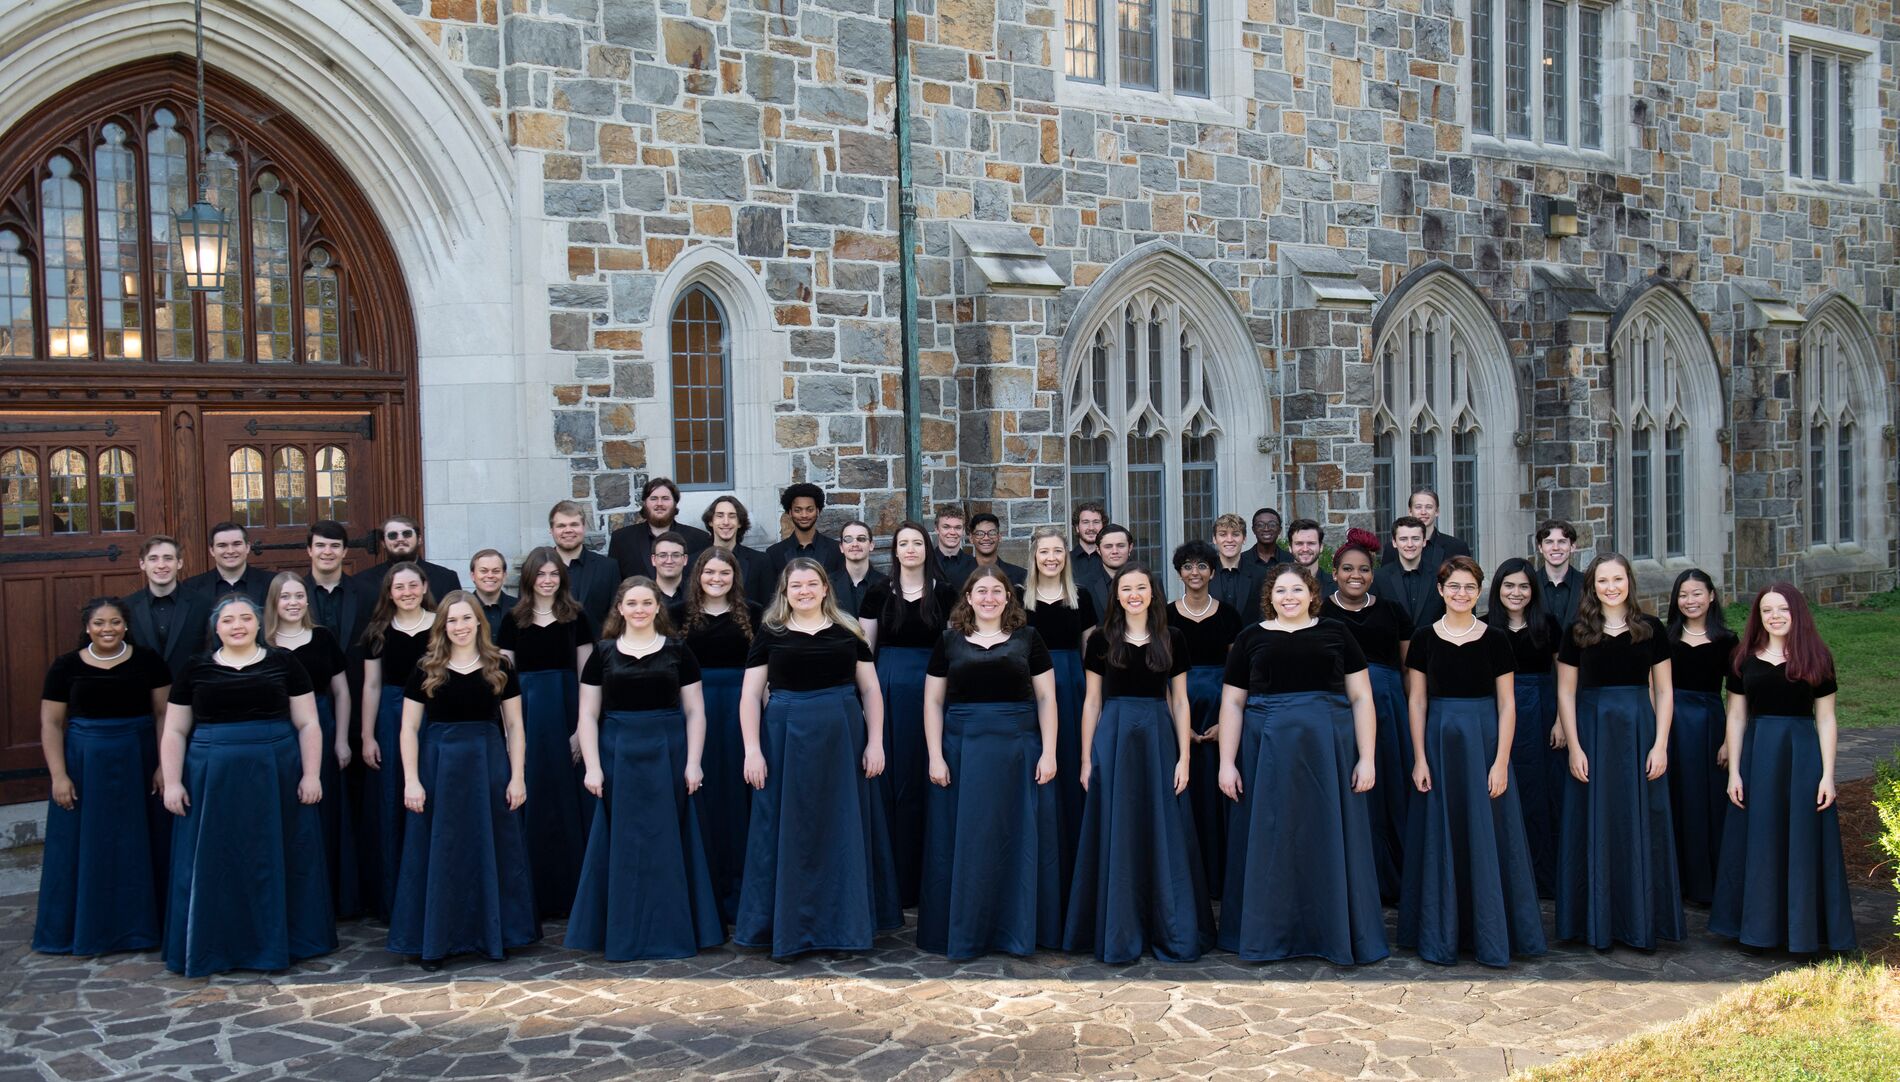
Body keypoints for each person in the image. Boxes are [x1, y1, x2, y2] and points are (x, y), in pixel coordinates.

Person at [1217, 563, 1387, 965]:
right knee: (1273, 836)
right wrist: (1227, 762)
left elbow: (1362, 697)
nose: (1288, 597)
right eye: (1280, 591)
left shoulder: (1336, 633)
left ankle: (1332, 934)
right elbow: (1232, 702)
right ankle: (1268, 934)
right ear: (1269, 598)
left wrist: (1367, 757)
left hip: (1328, 752)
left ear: (1312, 594)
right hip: (1267, 753)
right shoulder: (1250, 637)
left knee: (1327, 833)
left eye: (1297, 589)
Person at [159, 594, 334, 977]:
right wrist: (172, 782)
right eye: (227, 620)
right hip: (211, 778)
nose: (237, 625)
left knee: (273, 856)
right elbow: (174, 729)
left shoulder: (284, 663)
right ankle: (214, 946)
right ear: (216, 628)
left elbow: (308, 723)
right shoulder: (195, 668)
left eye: (244, 618)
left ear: (258, 624)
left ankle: (278, 943)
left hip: (277, 774)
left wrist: (311, 774)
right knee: (216, 861)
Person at [734, 558, 900, 958]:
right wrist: (752, 750)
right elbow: (750, 696)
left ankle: (845, 925)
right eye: (796, 585)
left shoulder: (849, 632)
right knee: (789, 828)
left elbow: (872, 691)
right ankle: (786, 928)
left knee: (842, 826)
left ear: (826, 588)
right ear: (785, 592)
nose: (804, 591)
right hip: (784, 739)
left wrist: (875, 742)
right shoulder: (770, 633)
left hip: (842, 738)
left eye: (812, 584)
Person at [1398, 557, 1546, 967]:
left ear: (1478, 592)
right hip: (1441, 744)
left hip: (1484, 743)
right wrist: (1420, 758)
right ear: (1441, 591)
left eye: (1469, 587)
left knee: (1489, 834)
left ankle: (1490, 930)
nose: (1461, 594)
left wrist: (1500, 762)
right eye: (1454, 587)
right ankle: (1441, 930)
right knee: (1441, 834)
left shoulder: (1495, 638)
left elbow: (1508, 704)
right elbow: (1417, 701)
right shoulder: (1425, 638)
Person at [569, 577, 725, 960]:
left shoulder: (678, 650)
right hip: (617, 754)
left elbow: (695, 711)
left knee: (670, 841)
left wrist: (693, 763)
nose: (639, 609)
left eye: (646, 602)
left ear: (658, 607)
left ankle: (674, 932)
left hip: (668, 753)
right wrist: (592, 767)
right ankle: (622, 934)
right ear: (619, 608)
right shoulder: (602, 654)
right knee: (621, 843)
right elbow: (588, 715)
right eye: (632, 603)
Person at [1065, 563, 1211, 963]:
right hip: (1113, 736)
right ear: (1115, 595)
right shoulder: (1100, 639)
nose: (1133, 594)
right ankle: (1118, 928)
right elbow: (1092, 701)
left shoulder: (1173, 637)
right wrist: (1084, 758)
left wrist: (1184, 756)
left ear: (1152, 593)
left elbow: (1179, 701)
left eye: (1141, 587)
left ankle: (1168, 925)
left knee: (1162, 824)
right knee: (1118, 825)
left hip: (1157, 736)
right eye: (1125, 588)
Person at [389, 592, 539, 970]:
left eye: (465, 619)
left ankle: (494, 936)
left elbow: (516, 726)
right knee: (441, 850)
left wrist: (517, 776)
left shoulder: (500, 665)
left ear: (478, 623)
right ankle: (437, 939)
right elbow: (408, 728)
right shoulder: (426, 667)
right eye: (451, 621)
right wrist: (411, 780)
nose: (459, 627)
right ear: (443, 626)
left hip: (488, 766)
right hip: (439, 769)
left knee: (489, 847)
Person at [918, 566, 1061, 958]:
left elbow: (1047, 698)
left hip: (1018, 752)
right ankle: (968, 932)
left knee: (1016, 839)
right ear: (968, 597)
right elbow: (932, 701)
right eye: (980, 591)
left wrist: (1049, 751)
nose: (988, 598)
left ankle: (1016, 930)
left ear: (1008, 598)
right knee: (966, 841)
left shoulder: (1028, 639)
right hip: (962, 751)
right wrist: (935, 755)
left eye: (996, 592)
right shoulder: (948, 641)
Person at [1711, 583, 1857, 954]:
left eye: (1782, 609)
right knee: (1760, 838)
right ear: (1758, 617)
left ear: (1797, 613)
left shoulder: (1818, 658)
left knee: (1802, 839)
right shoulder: (1744, 658)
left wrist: (1827, 774)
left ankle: (1803, 929)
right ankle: (1758, 930)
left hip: (1801, 757)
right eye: (1766, 611)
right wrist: (1735, 773)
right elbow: (1737, 715)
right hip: (1758, 755)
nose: (1774, 617)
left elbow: (1825, 719)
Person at [1554, 553, 1683, 951]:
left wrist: (1660, 744)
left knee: (1639, 820)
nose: (1611, 587)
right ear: (1592, 586)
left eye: (1618, 579)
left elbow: (1663, 691)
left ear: (1630, 582)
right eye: (1603, 581)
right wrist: (1574, 747)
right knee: (1594, 821)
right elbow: (1566, 692)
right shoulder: (1576, 631)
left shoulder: (1651, 629)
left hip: (1638, 732)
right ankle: (1593, 922)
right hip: (1592, 733)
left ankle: (1640, 920)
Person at [33, 598, 171, 957]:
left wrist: (163, 766)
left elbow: (163, 716)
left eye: (114, 622)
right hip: (84, 766)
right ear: (87, 627)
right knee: (88, 846)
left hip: (139, 763)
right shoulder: (65, 666)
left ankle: (142, 930)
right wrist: (58, 776)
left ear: (126, 625)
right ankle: (86, 930)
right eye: (98, 623)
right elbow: (50, 723)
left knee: (139, 844)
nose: (107, 629)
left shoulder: (148, 661)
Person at [858, 521, 955, 908]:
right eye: (904, 543)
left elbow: (952, 646)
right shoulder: (877, 593)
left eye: (917, 543)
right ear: (894, 551)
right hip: (889, 688)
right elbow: (865, 650)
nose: (911, 549)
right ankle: (893, 879)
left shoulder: (947, 594)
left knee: (928, 776)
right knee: (894, 782)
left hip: (934, 689)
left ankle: (929, 877)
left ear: (926, 549)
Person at [494, 547, 594, 920]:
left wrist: (581, 730)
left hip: (568, 713)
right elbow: (505, 679)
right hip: (529, 717)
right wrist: (508, 731)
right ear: (529, 579)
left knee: (569, 799)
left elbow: (588, 678)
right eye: (541, 575)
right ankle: (534, 892)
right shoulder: (512, 620)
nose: (548, 581)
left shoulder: (577, 617)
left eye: (554, 575)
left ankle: (574, 893)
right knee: (532, 798)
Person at [1321, 529, 1414, 902]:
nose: (1354, 575)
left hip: (1389, 708)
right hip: (1340, 709)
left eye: (1362, 569)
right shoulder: (1320, 612)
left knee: (1390, 787)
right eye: (1347, 568)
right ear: (1334, 571)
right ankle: (1351, 872)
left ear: (1372, 574)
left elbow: (1409, 669)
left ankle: (1394, 875)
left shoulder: (1392, 611)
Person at [267, 572, 360, 919]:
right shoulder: (263, 641)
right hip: (276, 732)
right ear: (274, 602)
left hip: (319, 726)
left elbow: (341, 692)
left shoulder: (322, 638)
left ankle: (327, 897)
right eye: (285, 597)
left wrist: (341, 741)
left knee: (321, 809)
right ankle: (290, 893)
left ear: (308, 601)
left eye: (299, 596)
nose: (293, 602)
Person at [680, 548, 764, 925]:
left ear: (735, 576)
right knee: (704, 797)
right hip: (696, 714)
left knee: (740, 798)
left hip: (741, 711)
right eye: (710, 572)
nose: (717, 578)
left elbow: (765, 672)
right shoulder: (677, 615)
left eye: (724, 573)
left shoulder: (755, 613)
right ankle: (706, 893)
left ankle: (743, 892)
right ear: (698, 574)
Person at [1022, 524, 1098, 909]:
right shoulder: (1020, 599)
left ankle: (1070, 856)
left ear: (1066, 556)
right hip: (1028, 686)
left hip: (1071, 685)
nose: (1051, 558)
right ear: (1033, 557)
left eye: (1057, 551)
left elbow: (1090, 651)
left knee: (1069, 762)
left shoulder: (1081, 597)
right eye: (1043, 552)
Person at [1483, 557, 1566, 899]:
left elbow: (1563, 677)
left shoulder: (1549, 625)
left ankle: (1543, 874)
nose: (1515, 593)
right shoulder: (1485, 627)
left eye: (1523, 586)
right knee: (1503, 787)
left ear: (1533, 590)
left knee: (1542, 791)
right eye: (1508, 585)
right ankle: (1504, 871)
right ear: (1497, 589)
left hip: (1543, 711)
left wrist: (1561, 719)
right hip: (1499, 712)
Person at [358, 562, 437, 919]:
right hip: (391, 718)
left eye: (412, 585)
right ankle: (395, 897)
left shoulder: (442, 626)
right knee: (395, 800)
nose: (406, 592)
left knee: (432, 796)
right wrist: (367, 734)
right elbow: (371, 686)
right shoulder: (377, 631)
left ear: (424, 587)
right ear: (389, 593)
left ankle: (431, 888)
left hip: (435, 715)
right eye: (398, 587)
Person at [1664, 569, 1739, 906]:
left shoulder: (1728, 641)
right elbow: (1656, 689)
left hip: (1709, 723)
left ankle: (1707, 883)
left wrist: (1727, 741)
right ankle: (1675, 880)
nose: (1690, 601)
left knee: (1705, 800)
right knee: (1675, 797)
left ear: (1711, 596)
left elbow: (1737, 697)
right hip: (1672, 723)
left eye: (1697, 594)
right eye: (1683, 594)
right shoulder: (1665, 638)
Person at [1170, 540, 1241, 897]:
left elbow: (1236, 671)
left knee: (1219, 786)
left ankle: (1219, 874)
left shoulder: (1228, 614)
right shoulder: (1165, 615)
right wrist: (1178, 721)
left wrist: (1226, 722)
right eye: (1187, 566)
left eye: (1201, 566)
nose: (1194, 572)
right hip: (1178, 704)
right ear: (1179, 572)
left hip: (1220, 706)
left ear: (1213, 572)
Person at [122, 535, 214, 681]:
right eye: (153, 559)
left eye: (168, 558)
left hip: (190, 690)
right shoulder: (126, 607)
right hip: (142, 693)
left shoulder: (203, 604)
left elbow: (210, 651)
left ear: (179, 563)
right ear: (142, 564)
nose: (161, 565)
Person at [607, 477, 712, 580]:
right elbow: (613, 583)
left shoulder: (699, 539)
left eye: (665, 498)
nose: (659, 503)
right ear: (645, 503)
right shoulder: (621, 539)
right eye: (654, 498)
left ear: (675, 503)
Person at [303, 520, 370, 654]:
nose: (327, 552)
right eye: (320, 545)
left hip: (354, 674)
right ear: (310, 550)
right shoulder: (296, 594)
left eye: (335, 545)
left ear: (344, 551)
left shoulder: (366, 593)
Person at [550, 500, 620, 628]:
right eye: (561, 526)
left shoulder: (608, 568)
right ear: (551, 530)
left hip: (596, 646)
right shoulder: (536, 569)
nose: (568, 530)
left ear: (584, 527)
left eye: (574, 524)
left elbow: (616, 616)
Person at [359, 515, 461, 603]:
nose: (400, 539)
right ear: (383, 543)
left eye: (407, 533)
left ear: (419, 539)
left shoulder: (446, 579)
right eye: (392, 535)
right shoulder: (364, 582)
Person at [1373, 516, 1445, 630]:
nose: (1410, 544)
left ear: (1424, 541)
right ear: (1394, 542)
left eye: (1415, 538)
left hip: (1431, 646)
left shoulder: (1440, 576)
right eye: (1403, 539)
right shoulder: (1379, 578)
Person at [765, 482, 847, 580]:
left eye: (809, 509)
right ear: (790, 513)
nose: (804, 515)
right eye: (798, 510)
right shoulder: (774, 553)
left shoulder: (837, 550)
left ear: (818, 511)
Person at [702, 494, 776, 603]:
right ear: (711, 521)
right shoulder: (695, 561)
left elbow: (769, 606)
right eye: (720, 515)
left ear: (740, 522)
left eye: (732, 516)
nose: (726, 522)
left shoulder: (761, 561)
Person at [1379, 489, 1471, 573]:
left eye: (1429, 507)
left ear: (1437, 511)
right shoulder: (1392, 549)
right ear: (1410, 511)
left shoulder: (1457, 547)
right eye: (1418, 507)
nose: (1423, 512)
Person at [183, 522, 274, 604]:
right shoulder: (191, 587)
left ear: (247, 547)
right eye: (222, 545)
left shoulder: (271, 583)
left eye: (236, 544)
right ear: (212, 550)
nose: (230, 551)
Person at [1210, 513, 1266, 622]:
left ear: (1244, 539)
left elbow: (1264, 615)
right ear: (1214, 539)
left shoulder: (1261, 575)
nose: (1229, 540)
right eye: (1223, 534)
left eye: (1235, 534)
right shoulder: (1205, 573)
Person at [1534, 520, 1583, 630]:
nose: (1555, 547)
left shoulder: (1587, 583)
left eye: (1562, 541)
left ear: (1572, 546)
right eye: (1549, 542)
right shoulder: (1529, 584)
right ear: (1540, 548)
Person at [835, 519, 887, 618]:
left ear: (871, 545)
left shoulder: (887, 585)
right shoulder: (828, 584)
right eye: (848, 539)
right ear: (841, 547)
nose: (855, 544)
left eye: (861, 539)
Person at [1080, 523, 1134, 618]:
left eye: (1121, 546)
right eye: (1108, 547)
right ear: (1098, 550)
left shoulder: (1151, 582)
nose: (1114, 551)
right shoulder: (1083, 586)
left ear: (1130, 547)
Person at [967, 512, 1026, 587]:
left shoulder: (1021, 576)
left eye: (992, 533)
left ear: (999, 537)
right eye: (980, 533)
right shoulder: (959, 574)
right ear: (971, 539)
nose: (986, 538)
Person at [1285, 518, 1336, 597]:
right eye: (1299, 543)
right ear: (1290, 548)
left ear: (1321, 547)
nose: (1305, 549)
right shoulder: (1278, 585)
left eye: (1311, 543)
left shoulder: (1336, 586)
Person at [469, 549, 517, 632]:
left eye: (496, 571)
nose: (490, 575)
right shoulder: (462, 608)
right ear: (473, 576)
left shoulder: (520, 607)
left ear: (504, 575)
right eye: (484, 571)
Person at [650, 532, 693, 621]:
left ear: (685, 559)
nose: (669, 561)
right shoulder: (644, 594)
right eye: (662, 555)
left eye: (676, 555)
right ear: (654, 560)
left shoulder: (697, 593)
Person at [932, 504, 975, 589]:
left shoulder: (975, 565)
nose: (952, 532)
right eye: (946, 527)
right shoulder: (925, 563)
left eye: (957, 528)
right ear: (937, 529)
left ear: (963, 531)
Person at [1070, 502, 1105, 586]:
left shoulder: (1112, 559)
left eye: (1096, 522)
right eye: (1085, 522)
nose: (1091, 528)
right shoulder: (1065, 560)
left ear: (1103, 526)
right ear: (1077, 528)